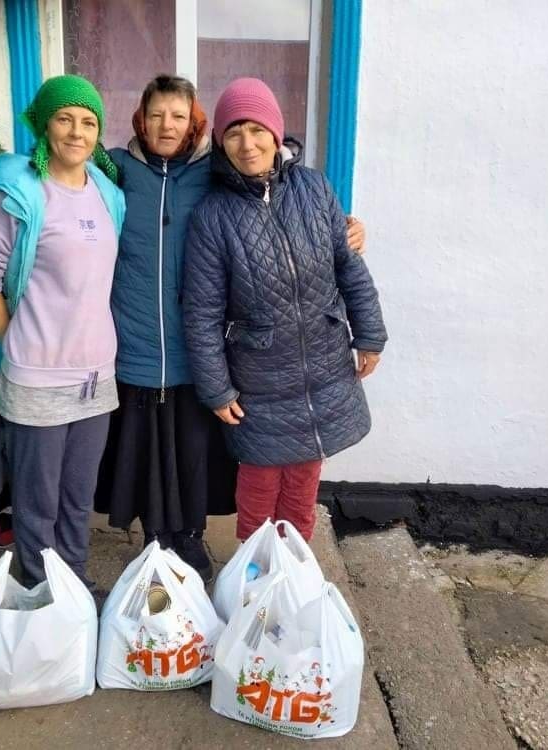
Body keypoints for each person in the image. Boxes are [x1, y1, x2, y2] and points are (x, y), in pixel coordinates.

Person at [0, 75, 367, 581]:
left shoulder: (215, 173)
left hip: (199, 349)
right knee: (144, 455)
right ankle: (148, 539)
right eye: (156, 115)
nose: (167, 125)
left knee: (194, 455)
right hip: (131, 344)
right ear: (140, 118)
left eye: (179, 116)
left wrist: (347, 227)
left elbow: (271, 200)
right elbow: (48, 177)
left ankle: (189, 537)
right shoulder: (114, 171)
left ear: (194, 122)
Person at [182, 77, 387, 542]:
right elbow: (202, 314)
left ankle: (295, 569)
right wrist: (216, 389)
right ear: (220, 142)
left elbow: (348, 267)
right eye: (234, 133)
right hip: (259, 380)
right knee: (258, 488)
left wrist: (370, 334)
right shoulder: (213, 215)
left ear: (276, 133)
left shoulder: (314, 188)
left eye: (257, 130)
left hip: (323, 365)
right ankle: (255, 575)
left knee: (303, 483)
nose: (247, 144)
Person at [0, 74, 125, 589]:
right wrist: (14, 340)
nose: (77, 132)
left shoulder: (107, 192)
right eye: (64, 118)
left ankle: (73, 588)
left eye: (88, 122)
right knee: (37, 502)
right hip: (37, 378)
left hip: (96, 377)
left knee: (78, 498)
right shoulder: (20, 193)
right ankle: (39, 591)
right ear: (44, 125)